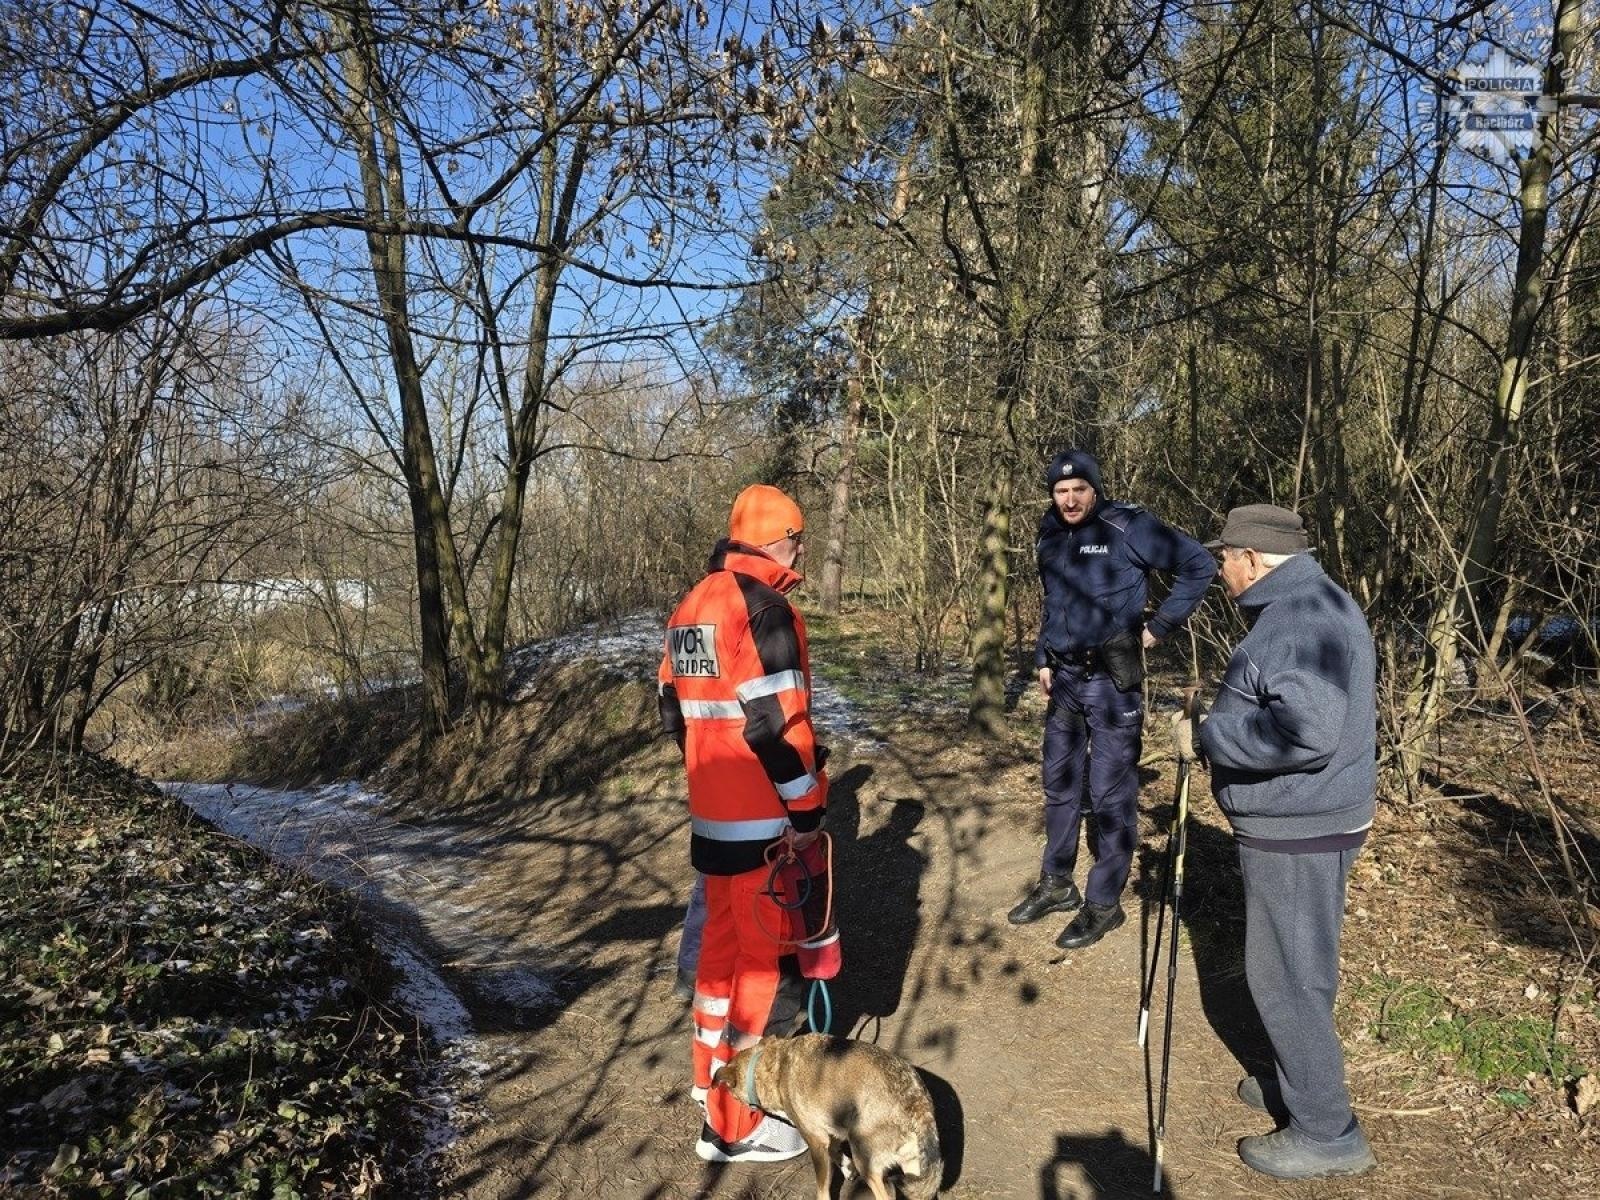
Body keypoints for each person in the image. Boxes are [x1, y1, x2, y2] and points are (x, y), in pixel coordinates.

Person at [1172, 503, 1378, 1180]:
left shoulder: (1295, 621)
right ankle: (1301, 1084)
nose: (1220, 570)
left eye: (1224, 558)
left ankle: (1326, 1132)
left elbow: (1306, 733)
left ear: (1253, 560)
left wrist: (1210, 734)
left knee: (1286, 977)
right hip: (1315, 817)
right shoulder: (1315, 599)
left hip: (1299, 824)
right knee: (1300, 968)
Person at [657, 483, 828, 1165]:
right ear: (778, 540)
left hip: (712, 818)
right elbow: (778, 725)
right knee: (759, 972)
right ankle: (736, 1125)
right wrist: (806, 810)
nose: (802, 552)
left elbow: (669, 704)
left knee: (717, 963)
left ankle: (709, 1084)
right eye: (798, 540)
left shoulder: (693, 604)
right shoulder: (766, 610)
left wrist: (708, 773)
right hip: (763, 826)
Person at [1009, 448, 1216, 950]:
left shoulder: (1128, 526)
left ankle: (1104, 904)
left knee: (1108, 794)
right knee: (1059, 786)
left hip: (1110, 681)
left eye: (1079, 489)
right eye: (1060, 491)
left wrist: (1160, 627)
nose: (1069, 499)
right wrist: (1042, 656)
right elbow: (1053, 600)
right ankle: (1057, 884)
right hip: (1063, 679)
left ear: (1095, 489)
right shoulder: (1049, 531)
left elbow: (1199, 564)